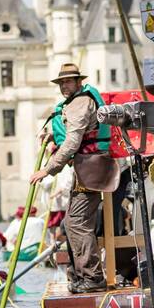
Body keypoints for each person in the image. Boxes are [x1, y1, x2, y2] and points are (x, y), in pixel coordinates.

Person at [30, 63, 120, 294]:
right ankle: (80, 275)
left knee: (77, 223)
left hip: (91, 168)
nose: (63, 86)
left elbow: (72, 142)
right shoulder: (75, 102)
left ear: (79, 82)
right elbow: (71, 130)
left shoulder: (81, 102)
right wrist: (52, 133)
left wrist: (48, 169)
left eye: (68, 81)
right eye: (61, 83)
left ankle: (92, 277)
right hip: (85, 168)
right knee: (71, 223)